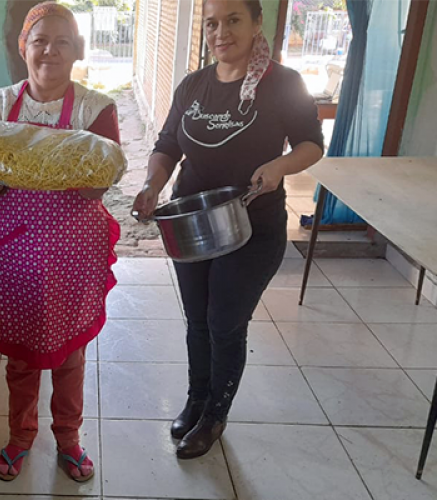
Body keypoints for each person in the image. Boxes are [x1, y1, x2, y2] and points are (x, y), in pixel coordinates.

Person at [133, 0, 324, 459]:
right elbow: (168, 145)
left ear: (257, 23)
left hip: (251, 227)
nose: (221, 33)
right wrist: (151, 184)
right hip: (192, 225)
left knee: (224, 322)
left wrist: (279, 166)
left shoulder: (283, 84)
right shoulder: (193, 86)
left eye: (233, 20)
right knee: (197, 320)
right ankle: (197, 399)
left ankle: (216, 415)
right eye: (213, 24)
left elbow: (311, 144)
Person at [0, 1, 121, 482]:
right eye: (39, 41)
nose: (49, 51)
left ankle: (68, 437)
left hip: (73, 249)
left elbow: (97, 185)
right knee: (20, 354)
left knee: (69, 354)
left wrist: (45, 164)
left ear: (77, 50)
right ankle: (20, 436)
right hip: (12, 250)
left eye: (61, 42)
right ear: (23, 48)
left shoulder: (96, 110)